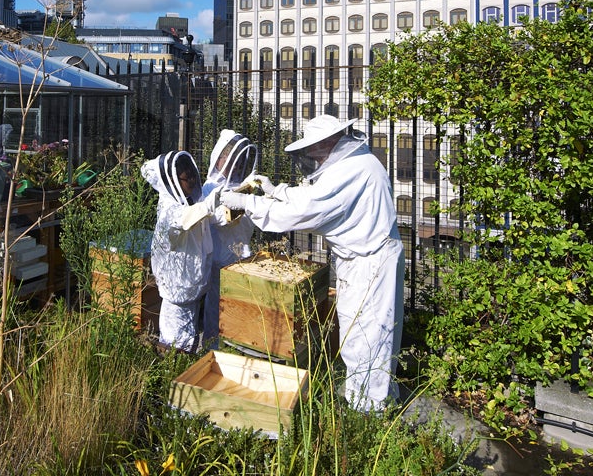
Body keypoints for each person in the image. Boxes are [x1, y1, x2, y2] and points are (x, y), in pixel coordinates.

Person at [220, 115, 404, 412]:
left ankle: (370, 410)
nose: (313, 155)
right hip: (363, 258)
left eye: (315, 148)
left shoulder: (353, 170)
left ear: (328, 142)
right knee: (357, 331)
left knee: (368, 336)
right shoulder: (352, 165)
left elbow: (308, 211)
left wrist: (249, 203)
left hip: (370, 262)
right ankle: (363, 398)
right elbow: (315, 196)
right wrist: (276, 191)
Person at [141, 150, 216, 352]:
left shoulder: (189, 202)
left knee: (187, 341)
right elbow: (185, 219)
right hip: (176, 293)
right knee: (174, 345)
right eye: (186, 176)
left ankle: (180, 370)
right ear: (171, 180)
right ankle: (170, 376)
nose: (191, 179)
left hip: (190, 290)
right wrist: (214, 200)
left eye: (192, 173)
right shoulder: (169, 209)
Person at [200, 129, 258, 346]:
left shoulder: (242, 186)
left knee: (240, 310)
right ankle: (212, 349)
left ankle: (234, 348)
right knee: (217, 308)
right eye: (228, 158)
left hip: (243, 256)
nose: (234, 162)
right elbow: (217, 218)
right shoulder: (209, 188)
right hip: (219, 260)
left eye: (237, 158)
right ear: (219, 159)